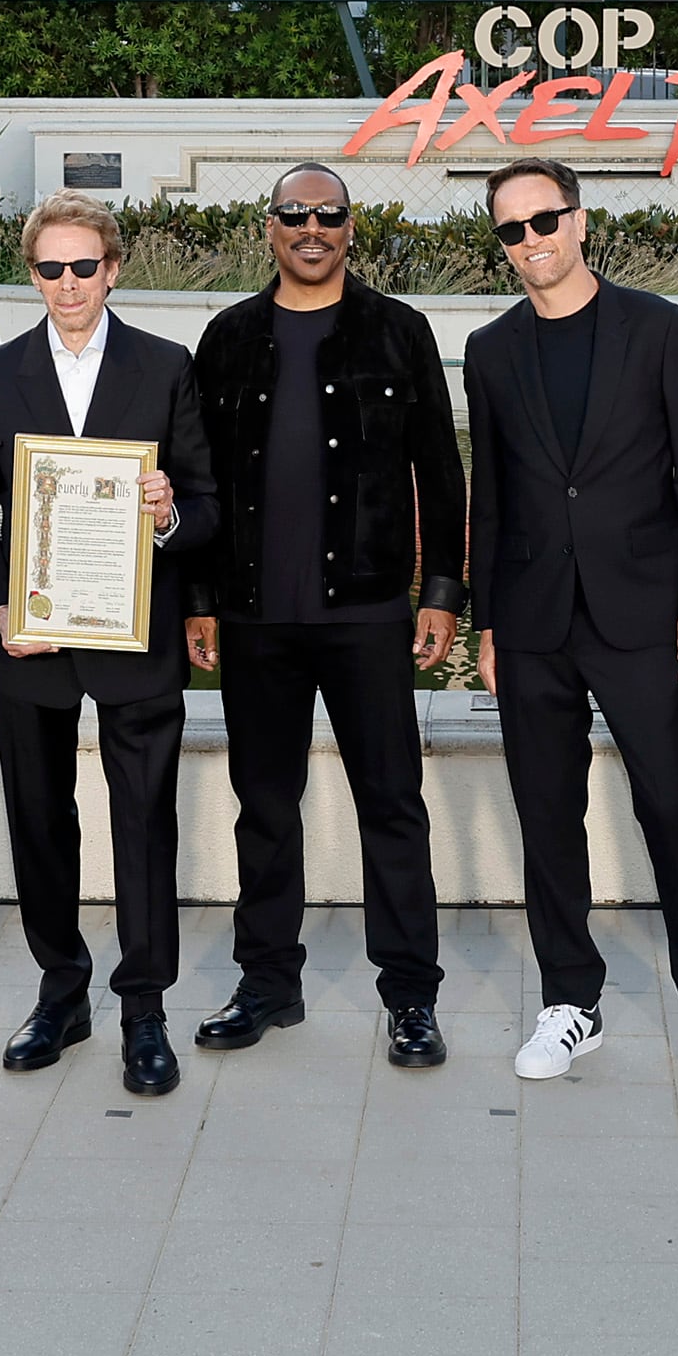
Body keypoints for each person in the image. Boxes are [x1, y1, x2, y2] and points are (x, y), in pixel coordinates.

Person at [184, 162, 464, 1070]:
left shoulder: (399, 330)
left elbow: (440, 475)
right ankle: (268, 982)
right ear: (266, 227)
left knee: (392, 805)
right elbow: (198, 486)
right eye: (294, 214)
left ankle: (411, 997)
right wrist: (198, 601)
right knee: (263, 806)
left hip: (371, 612)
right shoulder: (225, 338)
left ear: (352, 226)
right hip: (255, 615)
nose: (312, 228)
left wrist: (442, 592)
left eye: (328, 214)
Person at [462, 156, 678, 1087]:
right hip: (533, 620)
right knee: (547, 816)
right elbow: (487, 498)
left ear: (580, 221)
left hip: (641, 611)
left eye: (545, 220)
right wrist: (487, 623)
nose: (531, 240)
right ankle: (569, 999)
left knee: (669, 808)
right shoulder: (490, 350)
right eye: (512, 229)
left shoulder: (657, 328)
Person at [0, 190, 221, 1097]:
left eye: (82, 266)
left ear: (112, 268)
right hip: (27, 643)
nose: (66, 284)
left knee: (144, 824)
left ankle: (143, 1007)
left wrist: (167, 514)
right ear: (31, 274)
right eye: (48, 268)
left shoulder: (164, 366)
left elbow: (207, 507)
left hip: (134, 637)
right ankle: (61, 991)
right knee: (39, 820)